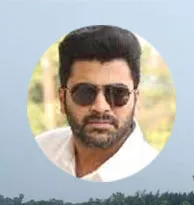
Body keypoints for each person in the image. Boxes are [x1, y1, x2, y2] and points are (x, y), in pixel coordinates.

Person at [36, 25, 159, 182]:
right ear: (62, 99)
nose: (100, 107)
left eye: (117, 93)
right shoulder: (41, 149)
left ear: (137, 99)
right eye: (84, 93)